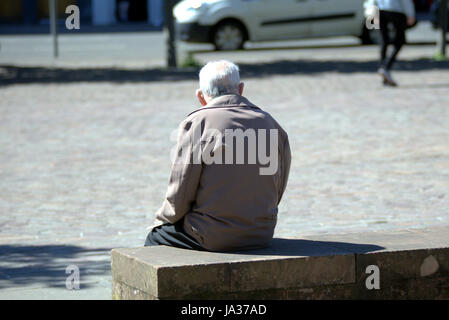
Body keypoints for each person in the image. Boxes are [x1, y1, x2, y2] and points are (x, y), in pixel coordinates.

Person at [144, 60, 291, 252]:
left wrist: (161, 220)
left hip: (212, 234)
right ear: (241, 89)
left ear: (200, 96)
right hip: (261, 231)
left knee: (154, 238)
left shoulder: (198, 123)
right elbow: (279, 184)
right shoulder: (270, 122)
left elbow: (181, 189)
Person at [366, 0, 416, 86]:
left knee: (383, 40)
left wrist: (370, 12)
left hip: (379, 10)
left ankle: (383, 69)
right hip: (395, 10)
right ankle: (386, 67)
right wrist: (410, 14)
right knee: (400, 40)